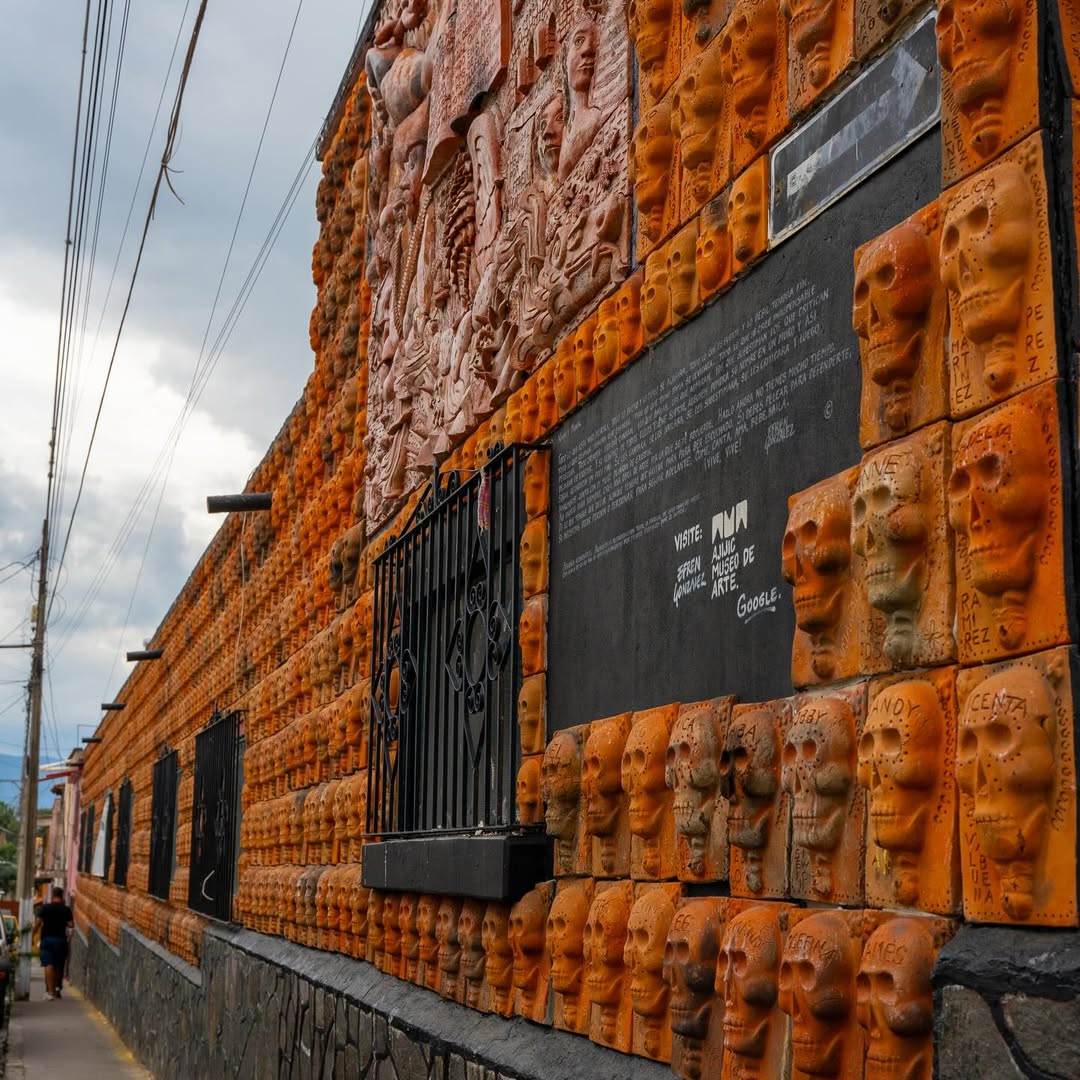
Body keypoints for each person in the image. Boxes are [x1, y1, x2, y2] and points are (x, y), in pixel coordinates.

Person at [33, 887, 73, 1001]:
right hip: (60, 941)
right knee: (58, 965)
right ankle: (56, 989)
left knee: (48, 964)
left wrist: (32, 935)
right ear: (62, 896)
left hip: (47, 940)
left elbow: (38, 923)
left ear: (52, 896)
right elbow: (70, 924)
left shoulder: (45, 908)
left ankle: (50, 992)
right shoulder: (66, 909)